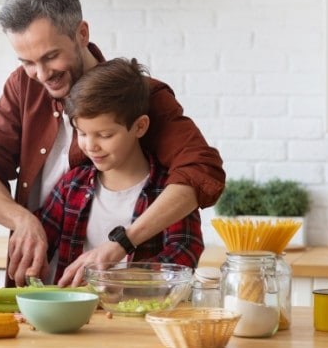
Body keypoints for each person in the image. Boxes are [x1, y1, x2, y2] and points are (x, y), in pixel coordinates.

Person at [0, 0, 225, 287]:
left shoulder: (140, 96)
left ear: (82, 33)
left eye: (50, 56)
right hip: (47, 291)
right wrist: (22, 220)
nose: (42, 75)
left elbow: (201, 171)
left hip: (125, 299)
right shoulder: (23, 85)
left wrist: (121, 246)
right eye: (28, 62)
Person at [36, 58, 204, 285]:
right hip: (73, 316)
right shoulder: (71, 185)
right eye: (82, 133)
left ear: (140, 126)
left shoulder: (168, 191)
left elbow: (184, 253)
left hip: (141, 316)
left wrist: (116, 279)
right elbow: (41, 243)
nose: (90, 146)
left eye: (105, 135)